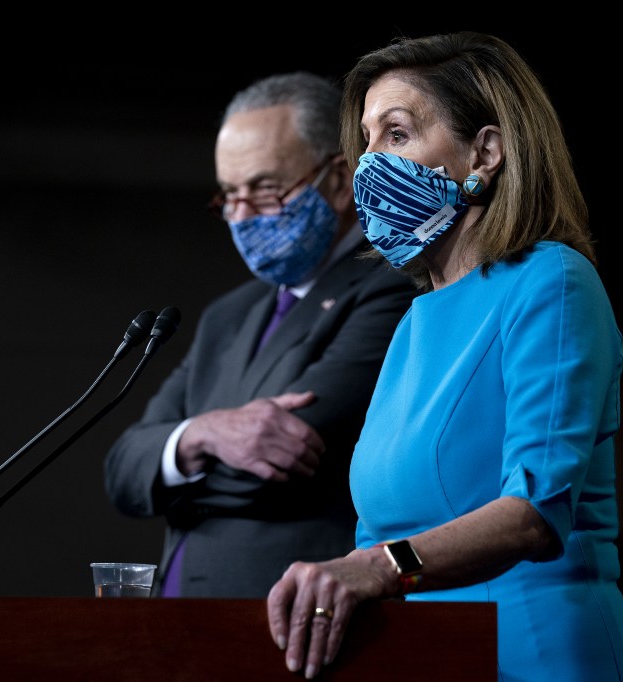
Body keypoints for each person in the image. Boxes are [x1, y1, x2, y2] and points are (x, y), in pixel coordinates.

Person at [266, 32, 623, 681]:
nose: (368, 165)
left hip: (539, 652)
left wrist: (377, 569)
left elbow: (533, 514)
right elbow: (377, 532)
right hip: (428, 655)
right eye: (365, 140)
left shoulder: (552, 282)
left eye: (396, 134)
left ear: (486, 151)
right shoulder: (414, 323)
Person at [103, 72, 418, 599]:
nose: (241, 214)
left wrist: (175, 471)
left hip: (290, 618)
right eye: (229, 195)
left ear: (340, 182)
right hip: (176, 622)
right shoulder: (230, 313)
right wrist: (200, 435)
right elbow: (123, 470)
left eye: (266, 188)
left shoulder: (391, 288)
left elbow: (274, 470)